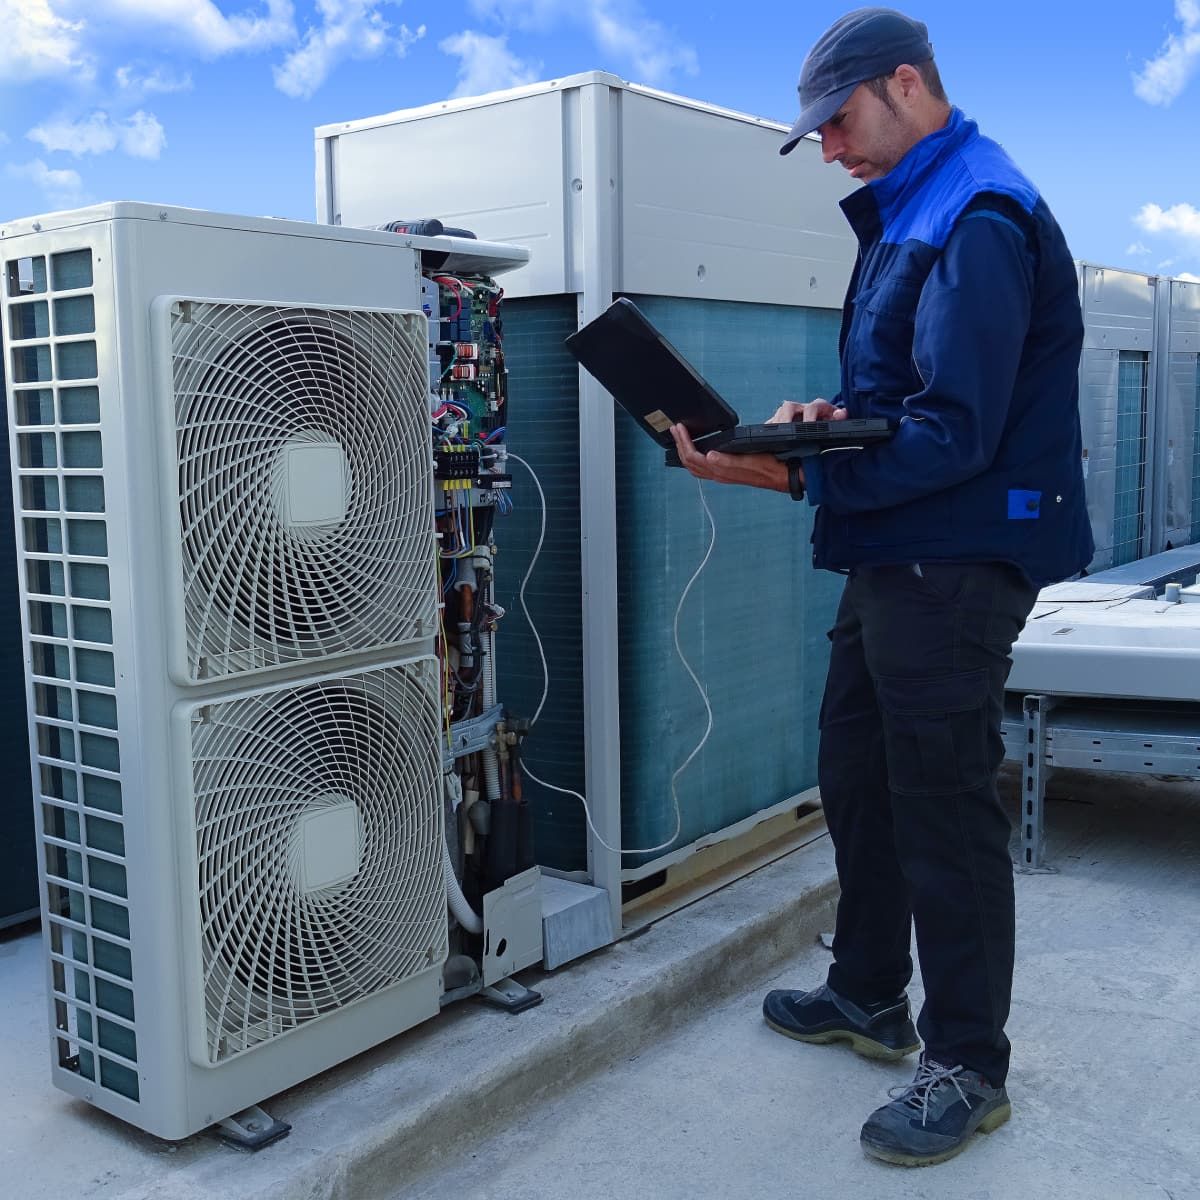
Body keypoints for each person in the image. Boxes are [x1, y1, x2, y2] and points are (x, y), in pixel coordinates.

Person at [670, 6, 1093, 1169]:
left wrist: (787, 477)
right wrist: (823, 428)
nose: (829, 147)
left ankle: (966, 1061)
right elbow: (910, 400)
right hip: (898, 549)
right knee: (858, 773)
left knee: (941, 800)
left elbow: (955, 435)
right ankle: (867, 992)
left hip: (954, 559)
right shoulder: (920, 204)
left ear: (906, 85)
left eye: (839, 119)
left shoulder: (979, 214)